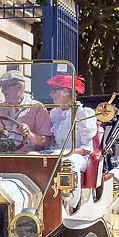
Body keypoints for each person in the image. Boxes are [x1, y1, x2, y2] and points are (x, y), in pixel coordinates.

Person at [46, 73, 97, 210]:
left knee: (68, 163)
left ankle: (70, 205)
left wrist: (64, 153)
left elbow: (87, 148)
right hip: (55, 154)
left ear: (65, 92)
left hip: (79, 156)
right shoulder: (54, 113)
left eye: (54, 91)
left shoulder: (84, 113)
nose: (51, 94)